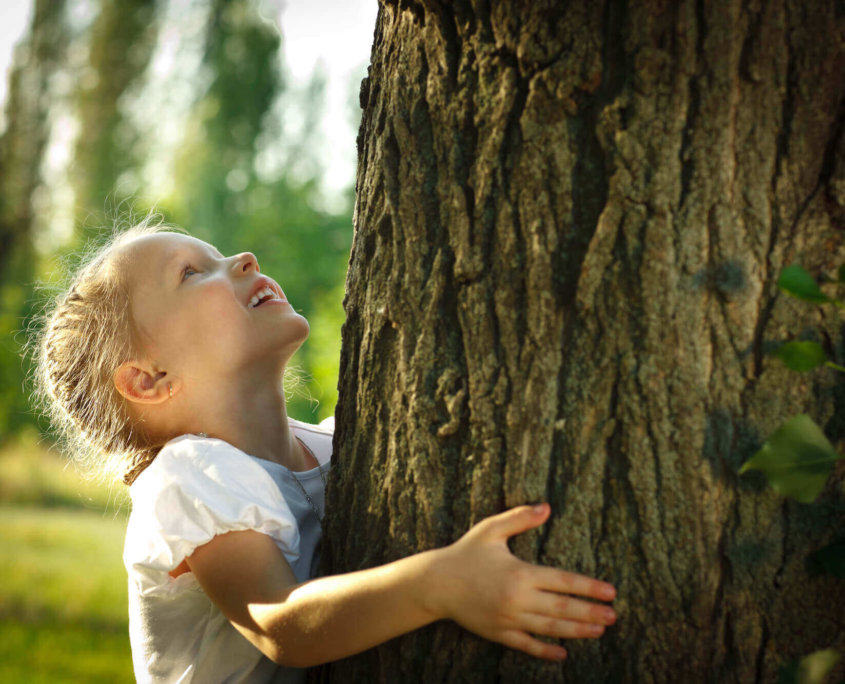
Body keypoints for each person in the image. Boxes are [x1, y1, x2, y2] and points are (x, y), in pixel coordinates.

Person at [33, 220, 618, 683]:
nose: (243, 259)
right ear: (149, 380)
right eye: (192, 273)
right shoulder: (187, 480)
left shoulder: (340, 442)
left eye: (217, 254)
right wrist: (441, 584)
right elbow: (281, 625)